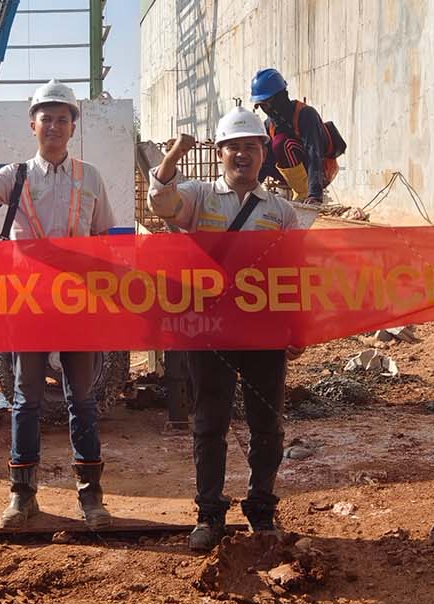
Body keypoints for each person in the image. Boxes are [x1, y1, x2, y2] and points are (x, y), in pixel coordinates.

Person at [0, 79, 117, 530]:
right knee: (26, 398)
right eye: (46, 118)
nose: (54, 126)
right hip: (27, 304)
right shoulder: (15, 176)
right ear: (33, 125)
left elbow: (104, 240)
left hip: (78, 305)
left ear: (72, 126)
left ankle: (91, 498)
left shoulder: (91, 177)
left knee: (81, 399)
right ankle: (22, 496)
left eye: (62, 118)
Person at [147, 106, 306, 552]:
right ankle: (209, 515)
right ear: (220, 153)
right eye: (234, 147)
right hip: (210, 331)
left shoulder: (280, 211)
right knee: (209, 423)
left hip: (263, 334)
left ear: (262, 154)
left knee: (267, 424)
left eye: (251, 147)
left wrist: (296, 327)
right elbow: (161, 203)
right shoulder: (198, 197)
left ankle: (262, 510)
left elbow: (293, 273)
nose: (242, 155)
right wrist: (173, 157)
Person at [250, 68, 340, 204]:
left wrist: (314, 194)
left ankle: (304, 193)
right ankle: (295, 191)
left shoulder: (305, 115)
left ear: (282, 95)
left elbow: (313, 153)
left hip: (320, 171)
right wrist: (249, 191)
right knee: (265, 151)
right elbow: (266, 163)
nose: (267, 108)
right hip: (292, 173)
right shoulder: (270, 124)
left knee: (281, 143)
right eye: (262, 105)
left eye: (268, 102)